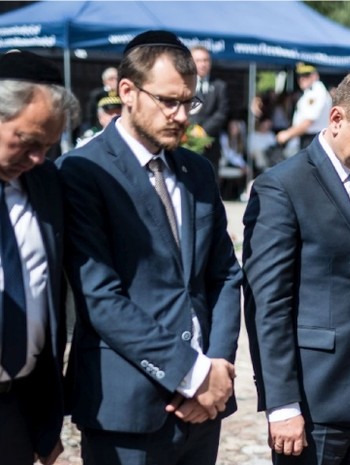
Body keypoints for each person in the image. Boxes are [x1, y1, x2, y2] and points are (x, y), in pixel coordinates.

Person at [57, 30, 242, 465]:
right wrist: (192, 373)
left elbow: (225, 275)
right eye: (168, 101)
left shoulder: (197, 170)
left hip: (204, 408)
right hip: (127, 407)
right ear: (127, 91)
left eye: (189, 102)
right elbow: (100, 299)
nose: (181, 115)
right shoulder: (82, 171)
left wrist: (217, 367)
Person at [243, 67, 350, 464]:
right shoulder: (283, 187)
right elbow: (268, 304)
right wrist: (282, 403)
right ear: (336, 119)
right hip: (312, 398)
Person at [0, 49, 79, 465]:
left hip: (16, 408)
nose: (37, 159)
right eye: (28, 142)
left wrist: (45, 422)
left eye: (47, 147)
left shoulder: (45, 182)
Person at [188, 45, 229, 182]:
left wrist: (203, 131)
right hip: (187, 142)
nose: (203, 64)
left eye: (206, 60)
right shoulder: (183, 85)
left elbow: (222, 112)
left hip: (211, 145)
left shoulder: (219, 86)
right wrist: (191, 130)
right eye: (198, 60)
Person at [276, 63, 332, 150]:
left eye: (306, 75)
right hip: (310, 139)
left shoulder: (316, 93)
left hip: (312, 139)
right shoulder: (311, 92)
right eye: (299, 76)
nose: (301, 79)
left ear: (315, 76)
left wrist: (287, 134)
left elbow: (308, 122)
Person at [82, 66, 118, 133]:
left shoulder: (123, 94)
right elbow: (91, 115)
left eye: (117, 78)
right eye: (111, 79)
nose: (115, 81)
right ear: (104, 81)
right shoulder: (97, 94)